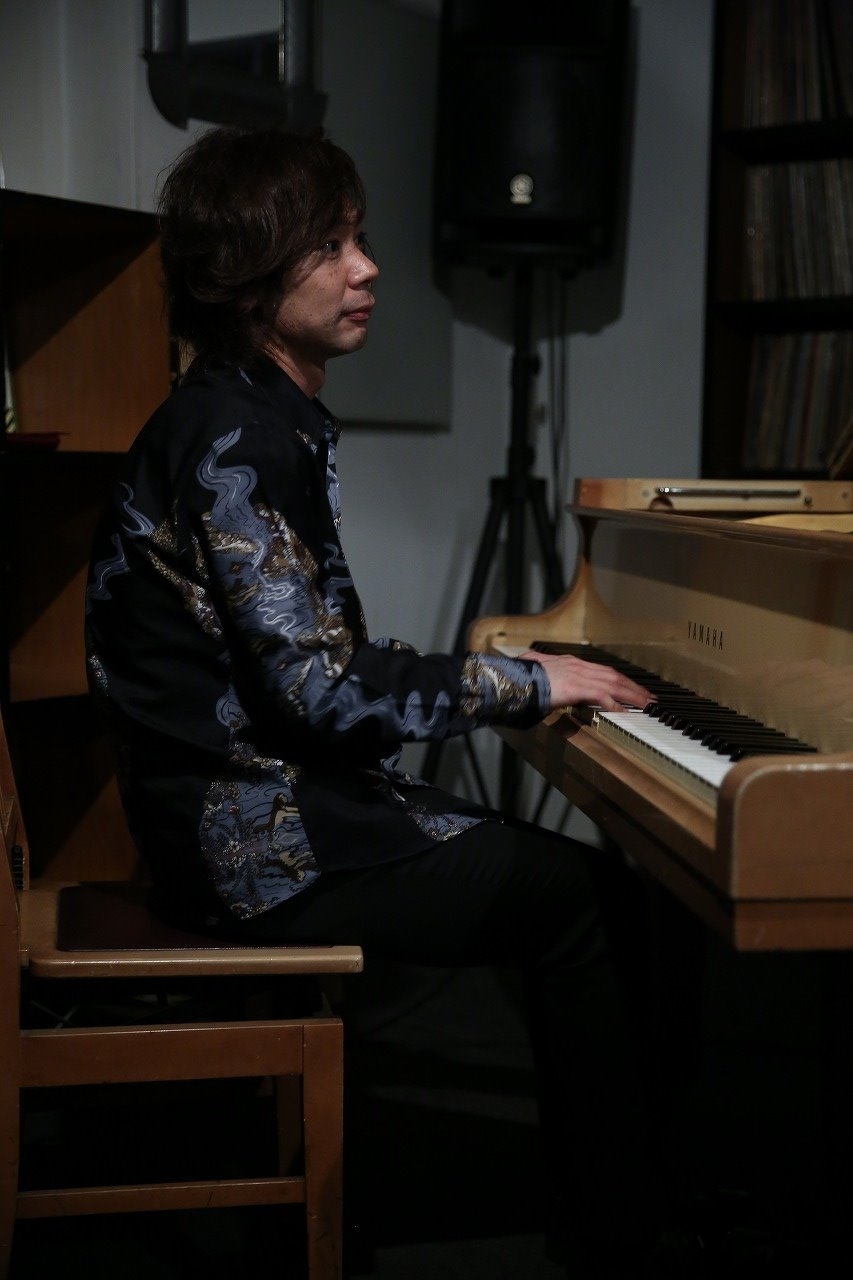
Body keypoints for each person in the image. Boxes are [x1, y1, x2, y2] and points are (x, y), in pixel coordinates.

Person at [84, 126, 687, 1277]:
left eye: (355, 239)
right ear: (252, 275)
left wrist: (492, 678)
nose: (365, 269)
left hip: (227, 812)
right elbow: (317, 688)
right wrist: (523, 680)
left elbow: (302, 659)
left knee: (584, 883)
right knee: (587, 901)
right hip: (252, 844)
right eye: (329, 247)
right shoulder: (238, 437)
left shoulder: (235, 411)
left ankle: (626, 1193)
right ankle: (620, 1231)